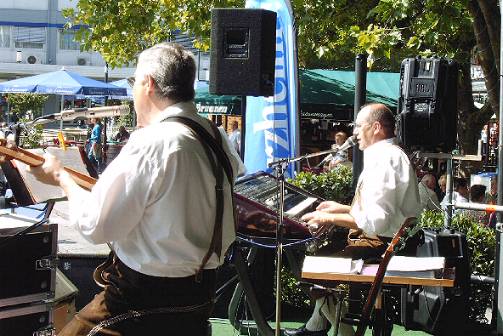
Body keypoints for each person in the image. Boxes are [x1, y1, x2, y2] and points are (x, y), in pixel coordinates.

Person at [18, 42, 245, 335]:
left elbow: (95, 227)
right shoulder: (216, 136)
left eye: (134, 82)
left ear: (148, 84)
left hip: (139, 303)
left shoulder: (154, 141)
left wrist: (62, 178)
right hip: (198, 300)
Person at [285, 103, 421, 336]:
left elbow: (377, 221)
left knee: (310, 271)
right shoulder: (387, 155)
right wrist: (340, 209)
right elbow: (378, 212)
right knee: (318, 259)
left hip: (381, 246)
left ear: (376, 127)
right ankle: (315, 328)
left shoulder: (385, 159)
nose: (354, 132)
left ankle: (343, 333)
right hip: (383, 240)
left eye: (358, 126)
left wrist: (329, 217)